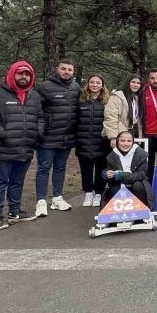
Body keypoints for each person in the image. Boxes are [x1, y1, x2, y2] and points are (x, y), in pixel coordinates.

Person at [0, 60, 43, 230]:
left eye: (27, 74)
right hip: (2, 150)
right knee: (0, 182)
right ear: (12, 74)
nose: (24, 76)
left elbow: (40, 117)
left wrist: (37, 132)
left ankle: (14, 212)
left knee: (17, 182)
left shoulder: (34, 95)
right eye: (20, 73)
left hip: (25, 148)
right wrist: (4, 134)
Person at [34, 59, 80, 217]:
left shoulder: (76, 87)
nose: (67, 72)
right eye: (63, 69)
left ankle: (57, 197)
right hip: (47, 137)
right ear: (57, 69)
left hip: (66, 137)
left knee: (60, 168)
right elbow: (36, 111)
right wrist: (40, 130)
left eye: (70, 69)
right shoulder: (45, 87)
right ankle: (41, 201)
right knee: (43, 168)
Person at [76, 74, 110, 207]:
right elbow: (75, 120)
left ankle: (98, 194)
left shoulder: (107, 101)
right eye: (92, 82)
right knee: (86, 170)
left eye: (98, 82)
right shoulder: (81, 100)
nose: (95, 85)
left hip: (101, 142)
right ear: (88, 84)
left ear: (102, 85)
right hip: (83, 141)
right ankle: (88, 193)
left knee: (101, 169)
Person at [101, 131, 155, 211]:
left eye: (129, 141)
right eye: (122, 141)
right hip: (118, 183)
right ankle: (117, 212)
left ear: (133, 142)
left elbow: (142, 174)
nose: (125, 144)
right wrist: (106, 174)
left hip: (137, 181)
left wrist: (121, 175)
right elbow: (109, 172)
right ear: (117, 142)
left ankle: (141, 209)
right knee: (114, 188)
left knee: (138, 186)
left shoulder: (141, 154)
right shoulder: (111, 156)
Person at [103, 75, 142, 144]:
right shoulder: (117, 96)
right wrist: (113, 137)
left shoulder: (136, 98)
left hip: (132, 132)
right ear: (128, 83)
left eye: (138, 83)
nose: (135, 85)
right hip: (118, 133)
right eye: (133, 82)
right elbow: (110, 117)